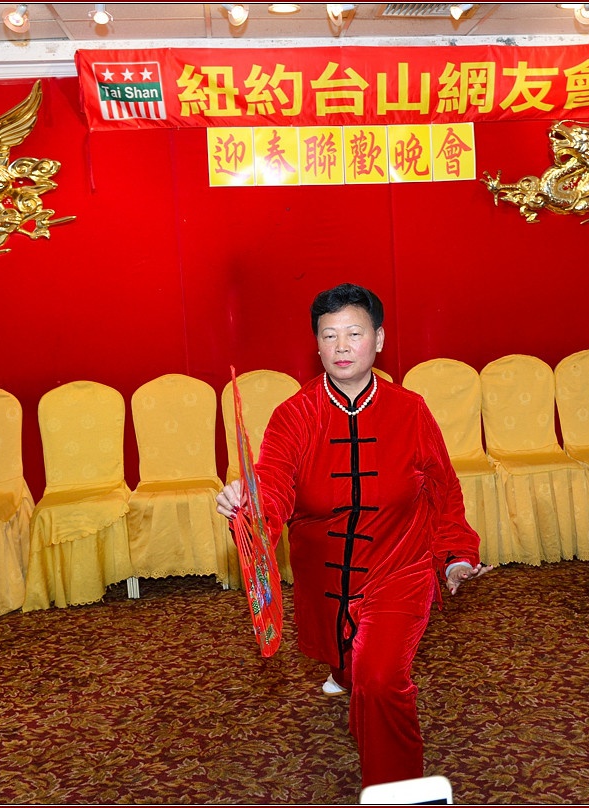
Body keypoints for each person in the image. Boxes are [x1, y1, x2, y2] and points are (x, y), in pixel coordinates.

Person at [215, 282, 492, 789]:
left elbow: (443, 490)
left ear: (379, 339)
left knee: (381, 679)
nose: (341, 346)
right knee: (347, 659)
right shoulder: (293, 416)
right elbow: (272, 483)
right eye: (329, 335)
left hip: (399, 568)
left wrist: (455, 554)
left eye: (354, 333)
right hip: (325, 579)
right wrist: (249, 507)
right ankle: (344, 672)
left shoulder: (410, 410)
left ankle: (397, 791)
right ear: (317, 345)